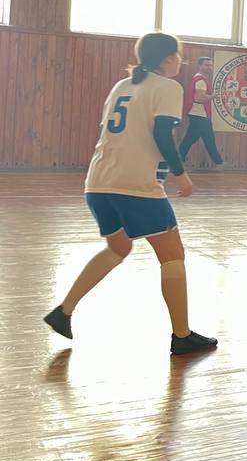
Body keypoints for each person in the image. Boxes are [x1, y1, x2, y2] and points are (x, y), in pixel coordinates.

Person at [42, 32, 218, 355]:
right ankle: (182, 335)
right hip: (135, 185)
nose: (181, 62)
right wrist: (181, 174)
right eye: (179, 56)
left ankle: (63, 311)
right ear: (168, 59)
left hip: (98, 183)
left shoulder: (122, 86)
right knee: (173, 255)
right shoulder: (168, 87)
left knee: (118, 248)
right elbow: (162, 134)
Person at [178, 55, 223, 167]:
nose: (210, 67)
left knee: (192, 139)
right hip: (200, 114)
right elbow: (200, 98)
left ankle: (178, 162)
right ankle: (219, 163)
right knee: (208, 139)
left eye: (211, 65)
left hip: (198, 114)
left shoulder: (199, 79)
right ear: (199, 66)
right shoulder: (200, 80)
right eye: (207, 65)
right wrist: (213, 95)